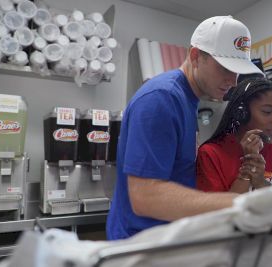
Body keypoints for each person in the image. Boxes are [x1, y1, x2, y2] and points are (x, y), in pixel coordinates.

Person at [106, 16, 263, 240]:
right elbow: (145, 196)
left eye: (237, 71)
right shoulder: (162, 99)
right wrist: (239, 204)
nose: (233, 80)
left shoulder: (187, 100)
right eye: (225, 68)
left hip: (165, 239)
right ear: (195, 56)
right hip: (140, 244)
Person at [196, 77, 272, 206]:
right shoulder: (211, 154)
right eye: (267, 112)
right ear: (242, 114)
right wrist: (248, 170)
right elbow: (217, 214)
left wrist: (262, 184)